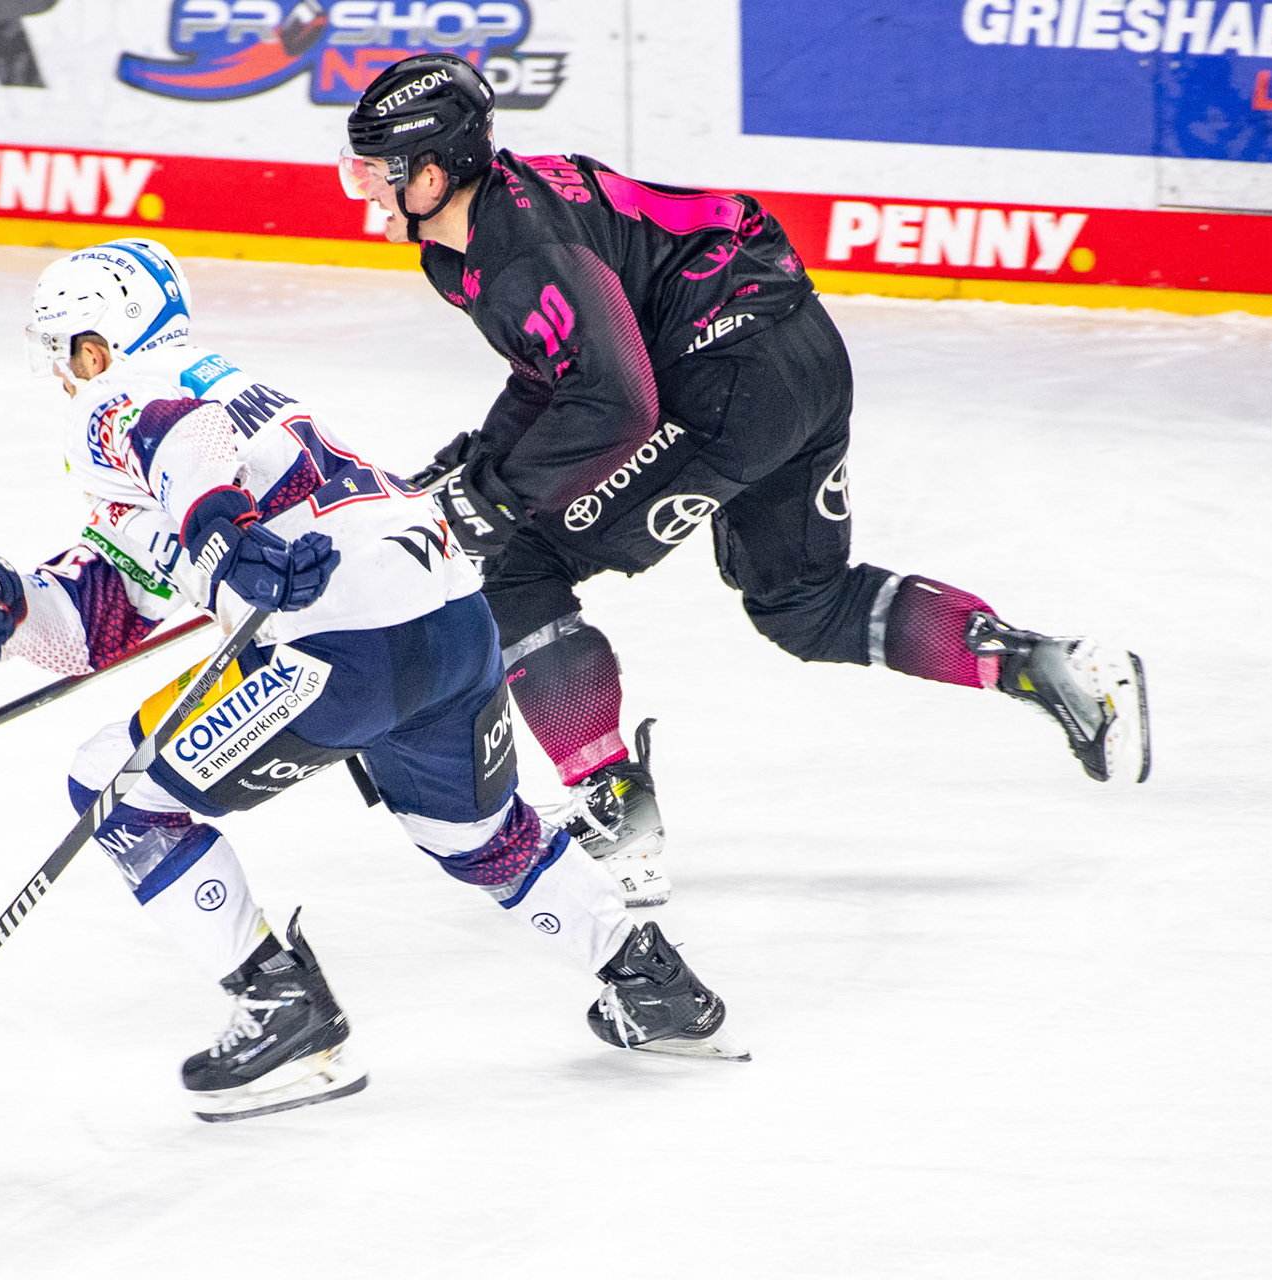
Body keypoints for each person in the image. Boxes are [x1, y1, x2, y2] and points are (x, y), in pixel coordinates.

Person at [0, 239, 747, 1122]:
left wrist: (221, 532)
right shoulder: (235, 390)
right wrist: (15, 609)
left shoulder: (123, 393)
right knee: (476, 835)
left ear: (97, 346)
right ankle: (653, 983)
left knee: (113, 790)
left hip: (339, 653)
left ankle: (284, 1009)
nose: (61, 375)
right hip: (453, 625)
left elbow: (179, 440)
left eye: (63, 351)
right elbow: (114, 605)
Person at [339, 55, 1150, 908]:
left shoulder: (517, 251)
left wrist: (493, 500)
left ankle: (618, 812)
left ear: (432, 175)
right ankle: (1052, 668)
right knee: (806, 603)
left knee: (513, 568)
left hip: (724, 382)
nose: (365, 191)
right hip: (798, 353)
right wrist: (483, 464)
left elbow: (616, 401)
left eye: (378, 171)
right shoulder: (488, 223)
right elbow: (561, 368)